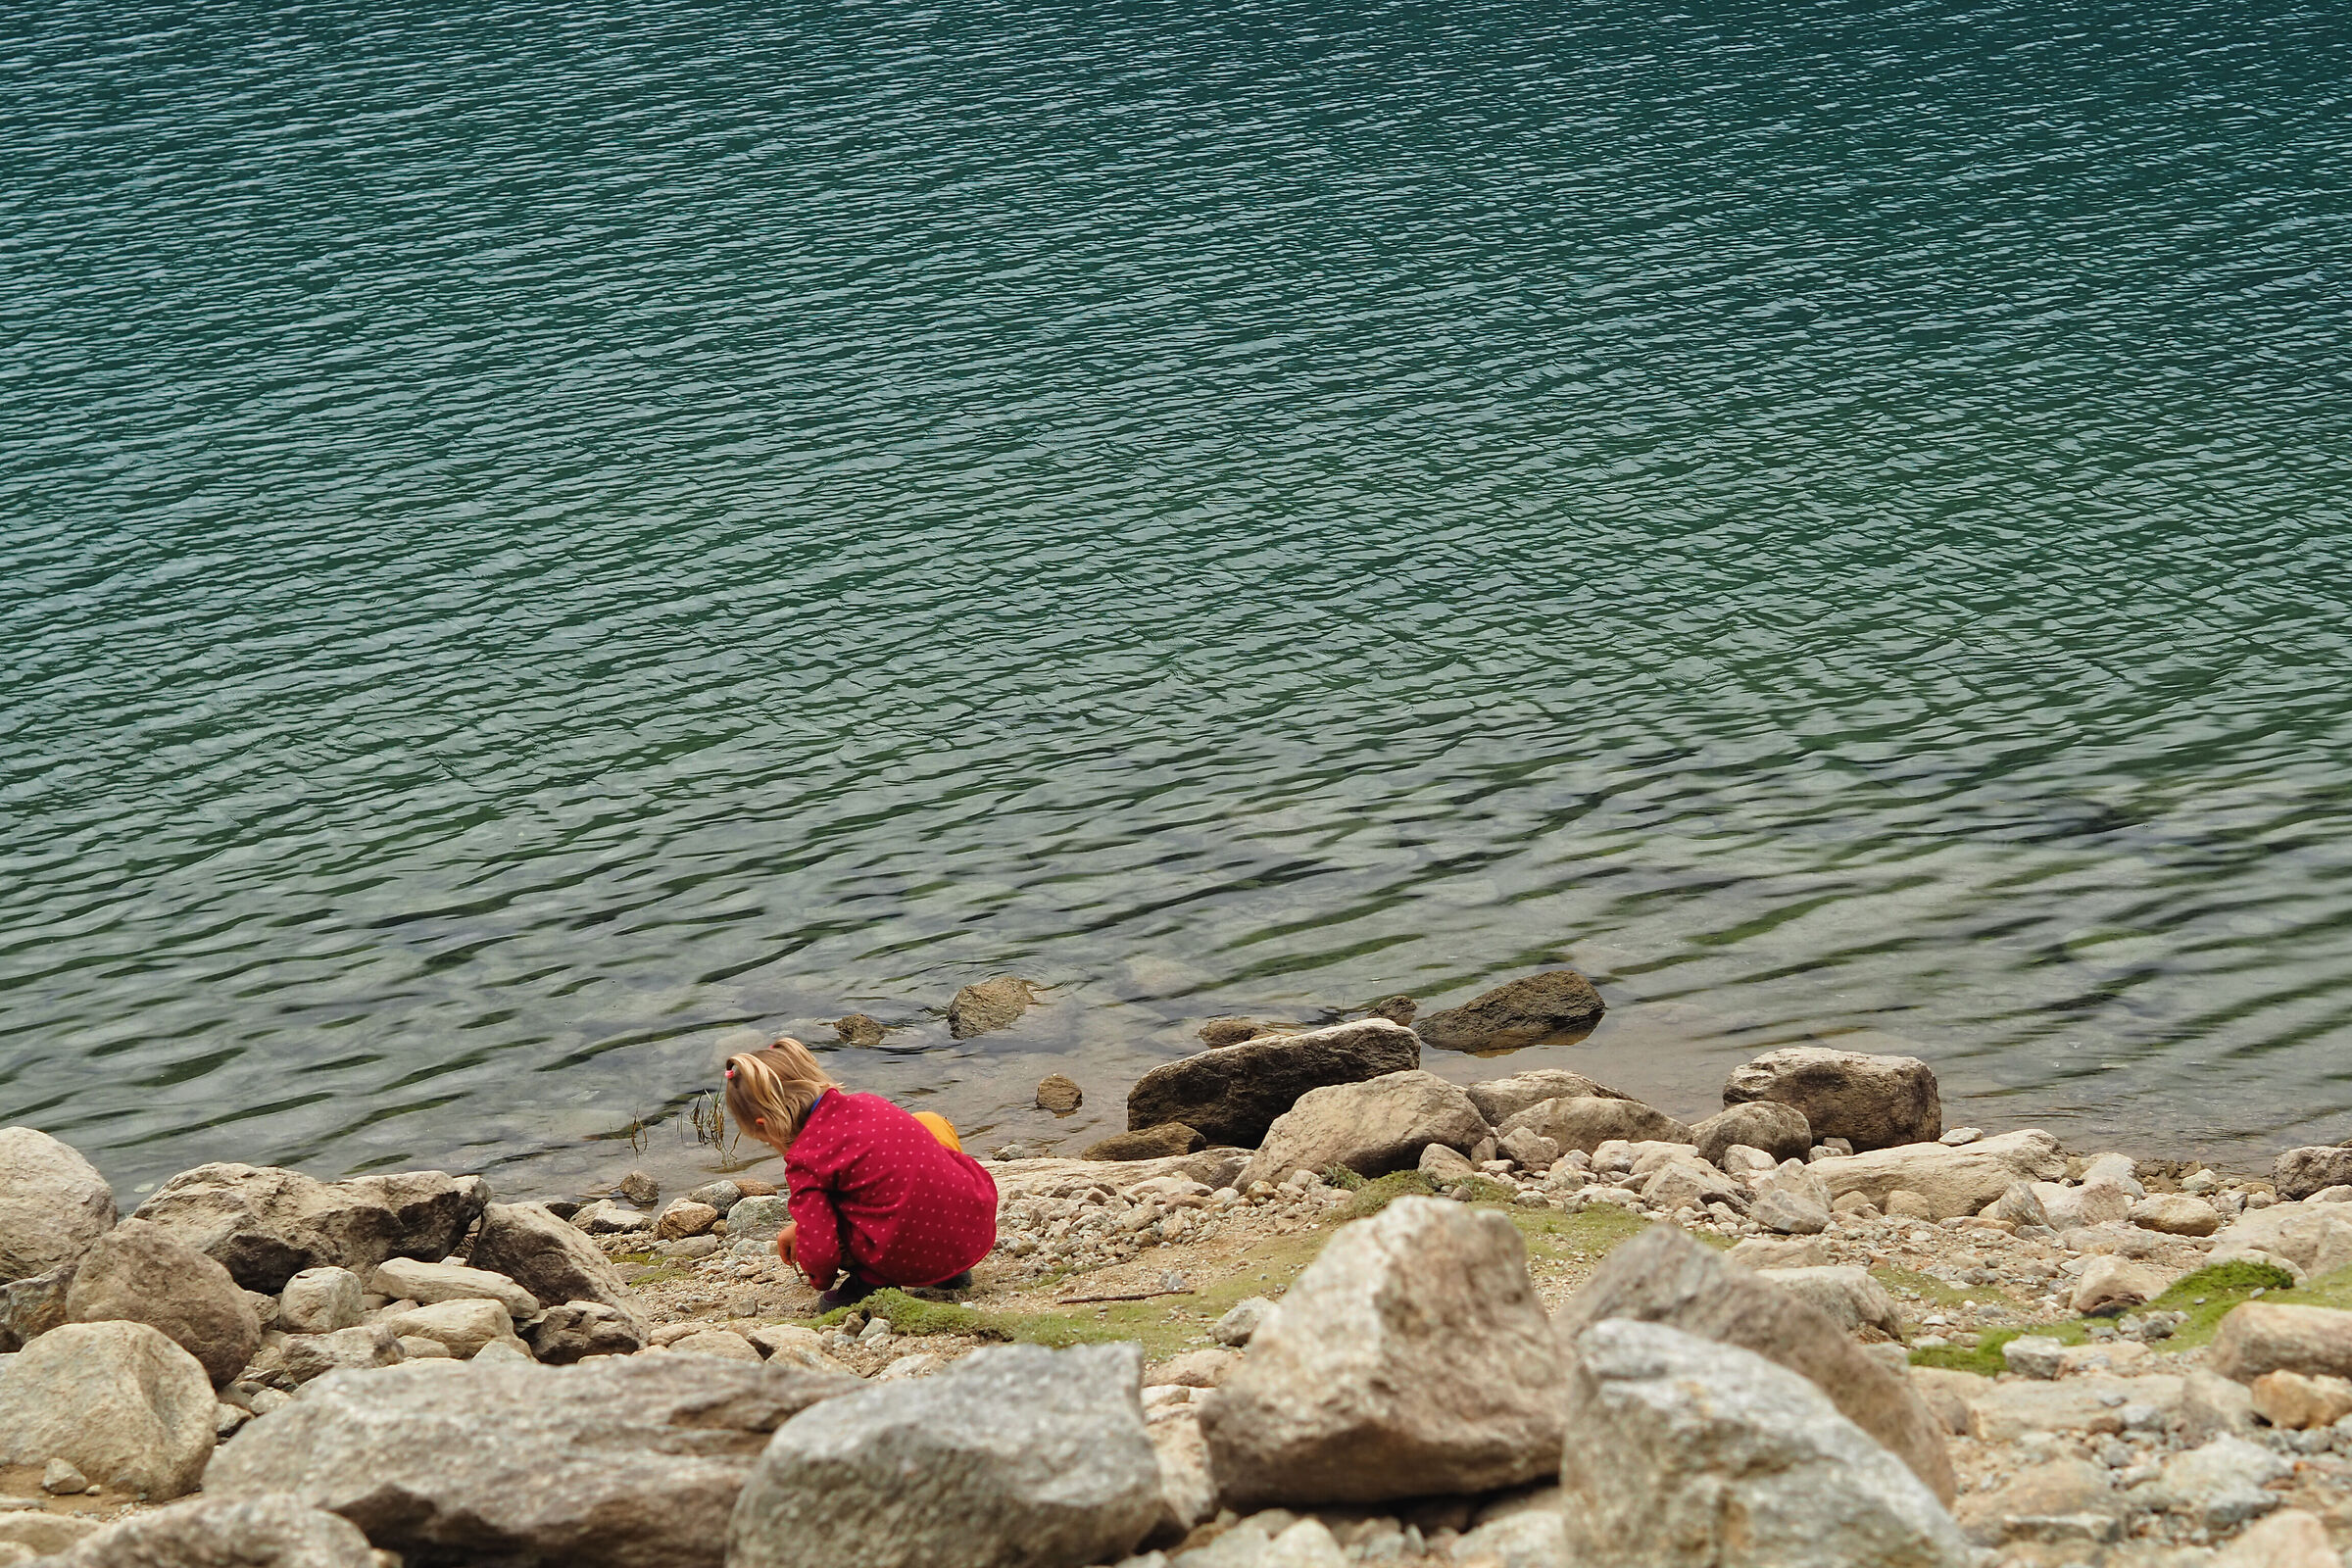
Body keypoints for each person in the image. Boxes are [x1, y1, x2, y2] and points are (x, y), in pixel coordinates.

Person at [722, 1038, 998, 1311]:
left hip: (912, 1254)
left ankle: (871, 1284)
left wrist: (819, 1278)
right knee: (925, 1129)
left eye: (767, 1141)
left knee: (827, 1219)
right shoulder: (869, 1103)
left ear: (765, 1124)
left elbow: (821, 1248)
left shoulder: (805, 1160)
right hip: (971, 1228)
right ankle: (951, 1273)